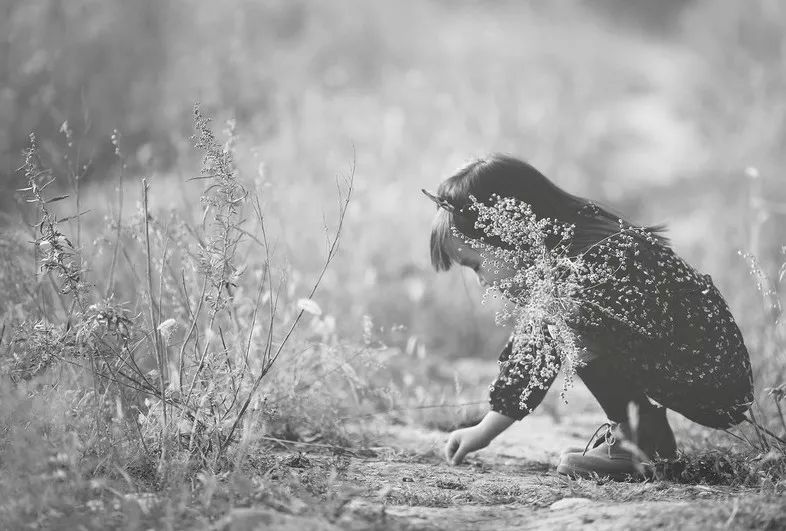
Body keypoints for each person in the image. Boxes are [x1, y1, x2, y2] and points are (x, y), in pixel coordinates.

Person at [425, 154, 754, 480]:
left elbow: (543, 346)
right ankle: (645, 435)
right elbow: (534, 347)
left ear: (509, 233)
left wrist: (486, 429)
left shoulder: (598, 262)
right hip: (707, 369)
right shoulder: (576, 249)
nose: (481, 282)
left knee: (564, 318)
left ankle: (638, 439)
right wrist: (485, 429)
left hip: (709, 377)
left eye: (476, 265)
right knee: (558, 314)